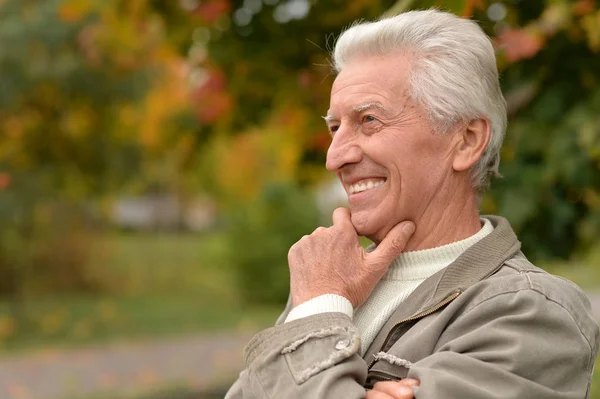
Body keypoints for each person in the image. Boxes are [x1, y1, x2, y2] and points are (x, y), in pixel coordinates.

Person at [225, 9, 599, 399]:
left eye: (369, 120)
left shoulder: (531, 313)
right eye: (335, 127)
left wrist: (317, 317)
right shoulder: (330, 285)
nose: (335, 157)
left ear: (467, 140)